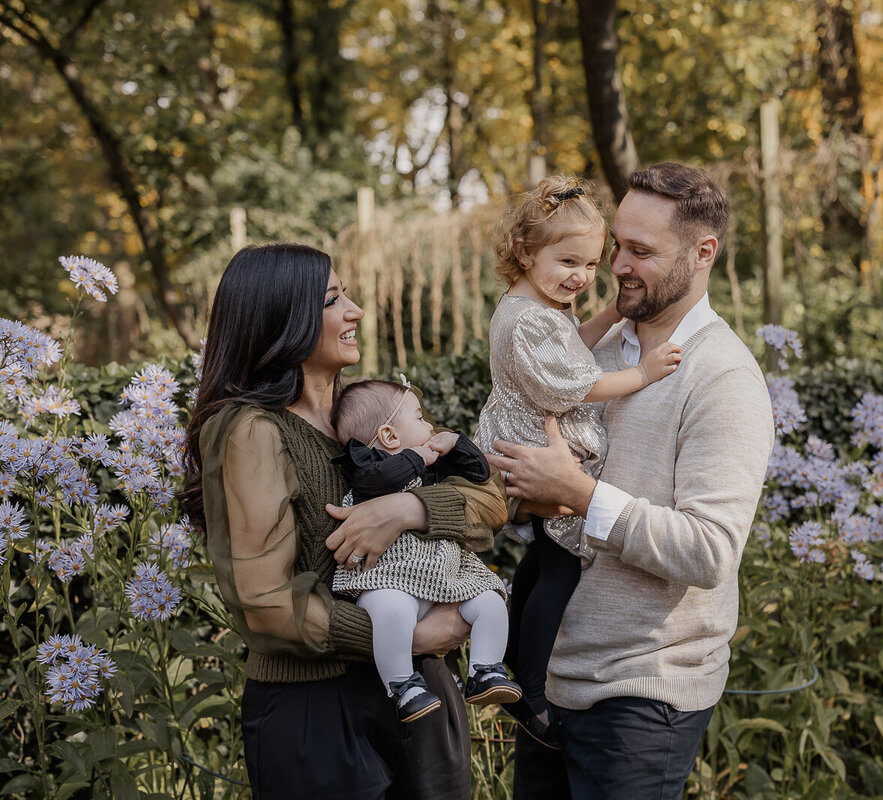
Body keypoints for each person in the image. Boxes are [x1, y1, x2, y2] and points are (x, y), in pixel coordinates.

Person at [488, 163, 776, 799]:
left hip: (644, 700)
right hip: (554, 683)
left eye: (641, 251)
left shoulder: (721, 378)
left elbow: (710, 552)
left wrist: (579, 495)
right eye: (618, 243)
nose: (616, 264)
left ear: (704, 254)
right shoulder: (592, 348)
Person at [181, 243, 507, 800]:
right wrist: (410, 636)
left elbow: (488, 503)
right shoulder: (252, 431)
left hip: (420, 698)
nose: (355, 310)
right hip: (320, 714)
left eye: (347, 294)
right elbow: (265, 604)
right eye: (334, 299)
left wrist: (408, 508)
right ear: (283, 320)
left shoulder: (369, 414)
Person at [474, 175, 682, 746]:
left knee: (544, 555)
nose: (581, 278)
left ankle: (510, 654)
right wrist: (641, 374)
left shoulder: (538, 306)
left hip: (530, 441)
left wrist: (612, 315)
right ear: (523, 250)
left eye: (591, 265)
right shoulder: (525, 319)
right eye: (568, 261)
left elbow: (572, 348)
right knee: (561, 566)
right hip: (538, 448)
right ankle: (531, 692)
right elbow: (574, 384)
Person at [329, 377, 520, 722]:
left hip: (442, 575)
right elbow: (380, 480)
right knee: (392, 611)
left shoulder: (430, 462)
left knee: (491, 599)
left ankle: (485, 669)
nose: (430, 426)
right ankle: (403, 686)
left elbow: (479, 475)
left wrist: (457, 445)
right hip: (388, 578)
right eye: (419, 419)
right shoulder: (366, 465)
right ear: (389, 436)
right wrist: (419, 455)